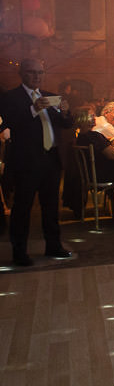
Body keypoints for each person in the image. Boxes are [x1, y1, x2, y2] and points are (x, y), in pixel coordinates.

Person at [0, 58, 73, 266]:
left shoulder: (49, 96)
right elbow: (10, 121)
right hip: (26, 161)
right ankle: (19, 252)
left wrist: (66, 111)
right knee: (22, 208)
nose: (37, 76)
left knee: (51, 206)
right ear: (22, 74)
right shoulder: (10, 97)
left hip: (51, 158)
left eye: (40, 73)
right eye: (32, 72)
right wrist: (33, 109)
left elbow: (66, 124)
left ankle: (53, 246)